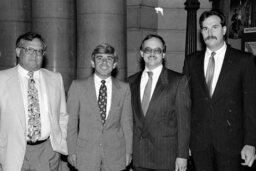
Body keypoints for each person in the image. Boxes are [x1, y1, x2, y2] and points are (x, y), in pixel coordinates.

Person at [183, 10, 256, 171]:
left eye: (214, 27)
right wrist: (184, 143)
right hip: (199, 143)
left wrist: (250, 143)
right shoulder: (191, 61)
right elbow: (185, 105)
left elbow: (251, 106)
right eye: (205, 29)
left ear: (224, 30)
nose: (209, 32)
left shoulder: (244, 61)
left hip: (232, 143)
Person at [0, 32, 68, 171]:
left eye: (39, 51)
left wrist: (60, 141)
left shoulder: (55, 79)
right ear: (18, 52)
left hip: (49, 151)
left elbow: (62, 115)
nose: (35, 55)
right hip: (14, 152)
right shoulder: (2, 80)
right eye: (29, 50)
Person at [128, 34, 191, 171]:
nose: (152, 53)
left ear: (163, 54)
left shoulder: (178, 81)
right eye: (147, 50)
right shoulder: (130, 82)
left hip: (166, 158)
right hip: (138, 157)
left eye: (157, 50)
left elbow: (184, 122)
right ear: (141, 53)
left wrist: (182, 155)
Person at [67, 43, 133, 171]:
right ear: (92, 63)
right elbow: (71, 124)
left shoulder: (124, 89)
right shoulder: (78, 87)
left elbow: (127, 123)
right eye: (99, 58)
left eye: (109, 59)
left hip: (115, 154)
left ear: (114, 65)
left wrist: (128, 151)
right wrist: (71, 151)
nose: (104, 62)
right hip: (86, 154)